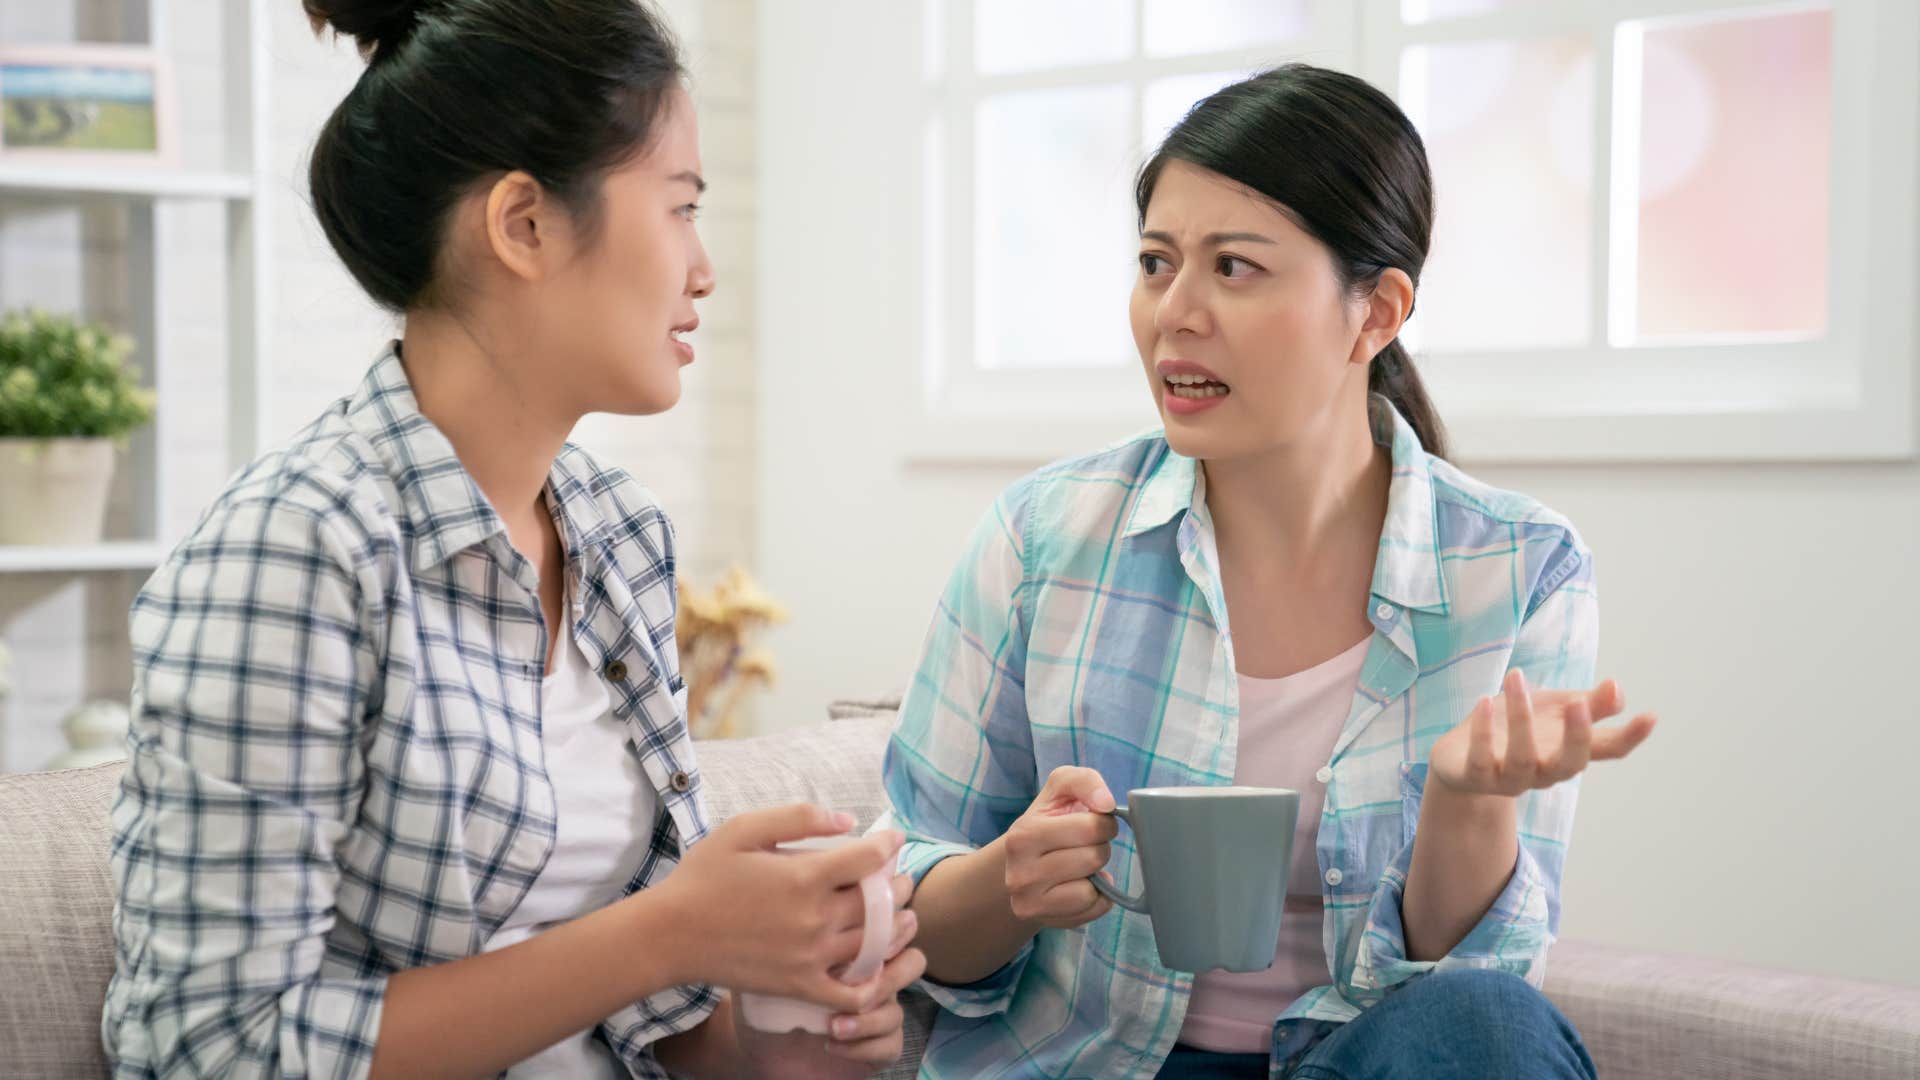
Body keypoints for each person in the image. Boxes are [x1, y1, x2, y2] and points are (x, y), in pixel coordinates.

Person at [102, 2, 921, 1076]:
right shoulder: (299, 553)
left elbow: (643, 1029)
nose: (705, 269)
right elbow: (210, 1050)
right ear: (523, 225)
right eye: (680, 209)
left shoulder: (619, 536)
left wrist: (786, 1037)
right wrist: (673, 932)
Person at [880, 64, 1657, 1079]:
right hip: (1090, 1061)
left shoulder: (1518, 573)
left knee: (1485, 1025)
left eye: (1234, 268)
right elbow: (903, 914)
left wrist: (1468, 802)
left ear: (1376, 313)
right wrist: (1004, 883)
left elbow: (1481, 986)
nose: (1176, 313)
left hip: (1355, 1060)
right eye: (1157, 264)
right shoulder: (1041, 540)